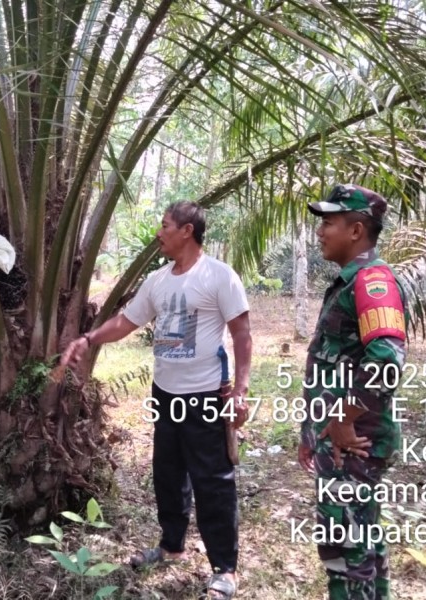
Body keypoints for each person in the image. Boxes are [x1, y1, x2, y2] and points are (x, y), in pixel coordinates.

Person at [60, 201, 252, 600]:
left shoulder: (219, 276)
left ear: (187, 231)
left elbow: (242, 334)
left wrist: (240, 390)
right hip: (165, 393)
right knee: (168, 471)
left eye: (164, 226)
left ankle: (225, 569)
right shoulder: (158, 281)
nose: (158, 233)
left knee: (212, 479)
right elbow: (126, 322)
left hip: (204, 394)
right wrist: (89, 338)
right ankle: (172, 546)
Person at [297, 184, 408, 600]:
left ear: (357, 230)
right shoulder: (349, 282)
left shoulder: (372, 282)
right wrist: (313, 434)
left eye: (328, 223)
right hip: (338, 444)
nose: (320, 232)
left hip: (353, 445)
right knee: (359, 540)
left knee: (347, 548)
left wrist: (341, 420)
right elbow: (333, 365)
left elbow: (386, 361)